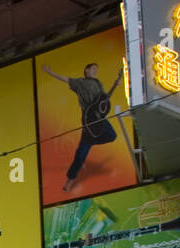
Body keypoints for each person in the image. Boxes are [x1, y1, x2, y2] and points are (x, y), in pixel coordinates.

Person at [42, 61, 123, 193]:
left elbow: (104, 99)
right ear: (86, 70)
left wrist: (115, 85)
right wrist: (50, 72)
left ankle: (91, 140)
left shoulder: (98, 83)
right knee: (81, 155)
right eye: (93, 68)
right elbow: (65, 79)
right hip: (89, 119)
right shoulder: (80, 83)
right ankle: (70, 180)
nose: (95, 71)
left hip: (100, 118)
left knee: (112, 135)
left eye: (97, 69)